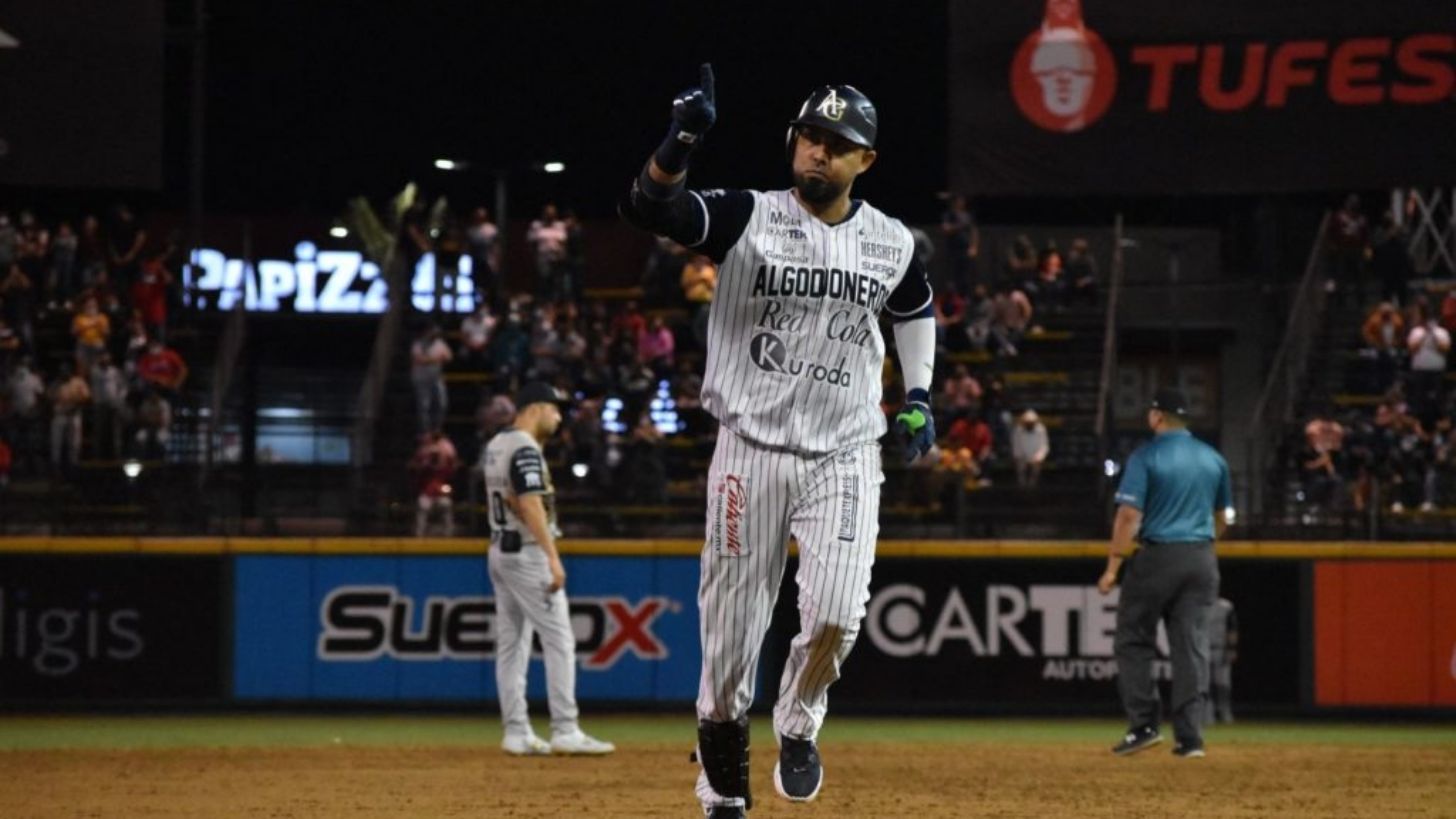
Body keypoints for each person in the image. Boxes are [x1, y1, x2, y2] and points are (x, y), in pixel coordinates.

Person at [620, 66, 936, 817]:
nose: (818, 151)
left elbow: (916, 307)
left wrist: (919, 396)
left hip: (845, 450)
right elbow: (648, 208)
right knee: (731, 637)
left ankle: (798, 719)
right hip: (750, 447)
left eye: (837, 143)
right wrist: (680, 140)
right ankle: (723, 792)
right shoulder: (747, 216)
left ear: (866, 160)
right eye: (810, 136)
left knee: (837, 615)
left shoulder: (890, 241)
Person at [482, 381, 615, 757]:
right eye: (554, 409)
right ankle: (565, 728)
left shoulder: (497, 444)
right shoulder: (525, 447)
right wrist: (552, 556)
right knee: (559, 640)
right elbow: (529, 503)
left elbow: (510, 497)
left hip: (500, 548)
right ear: (535, 408)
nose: (558, 418)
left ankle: (516, 732)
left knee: (512, 646)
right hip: (527, 553)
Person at [1099, 387, 1233, 760]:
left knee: (1133, 638)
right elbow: (1224, 517)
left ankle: (1144, 725)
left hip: (1158, 555)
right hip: (1202, 556)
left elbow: (1129, 515)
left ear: (1157, 416)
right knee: (1191, 646)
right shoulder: (1213, 458)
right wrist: (1202, 544)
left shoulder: (1147, 455)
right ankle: (1191, 739)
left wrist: (1112, 567)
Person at [410, 430, 458, 537]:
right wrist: (425, 464)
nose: (435, 458)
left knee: (446, 504)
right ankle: (419, 536)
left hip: (440, 494)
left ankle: (448, 535)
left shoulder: (444, 464)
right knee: (423, 505)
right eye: (433, 456)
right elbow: (415, 470)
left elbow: (452, 469)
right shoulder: (424, 463)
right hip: (427, 494)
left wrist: (445, 461)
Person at [410, 324, 452, 434]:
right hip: (421, 379)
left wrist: (431, 359)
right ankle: (426, 430)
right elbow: (419, 359)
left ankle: (437, 429)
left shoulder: (440, 343)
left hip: (436, 378)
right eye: (433, 332)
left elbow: (449, 357)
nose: (435, 335)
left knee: (442, 403)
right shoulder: (418, 344)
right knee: (424, 406)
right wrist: (437, 359)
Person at [1205, 597, 1238, 725]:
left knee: (1223, 683)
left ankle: (1225, 711)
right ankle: (1208, 713)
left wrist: (1231, 648)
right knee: (1206, 683)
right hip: (1203, 648)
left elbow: (1232, 628)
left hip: (1221, 648)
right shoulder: (1199, 603)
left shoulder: (1226, 606)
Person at [1011, 408, 1050, 488]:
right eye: (1028, 422)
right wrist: (1019, 457)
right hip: (1022, 457)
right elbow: (1016, 446)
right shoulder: (1018, 430)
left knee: (1036, 470)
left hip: (1036, 457)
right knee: (1020, 468)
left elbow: (1044, 445)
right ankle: (1022, 486)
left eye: (1031, 423)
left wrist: (1039, 456)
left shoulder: (1041, 429)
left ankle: (1033, 486)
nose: (1029, 424)